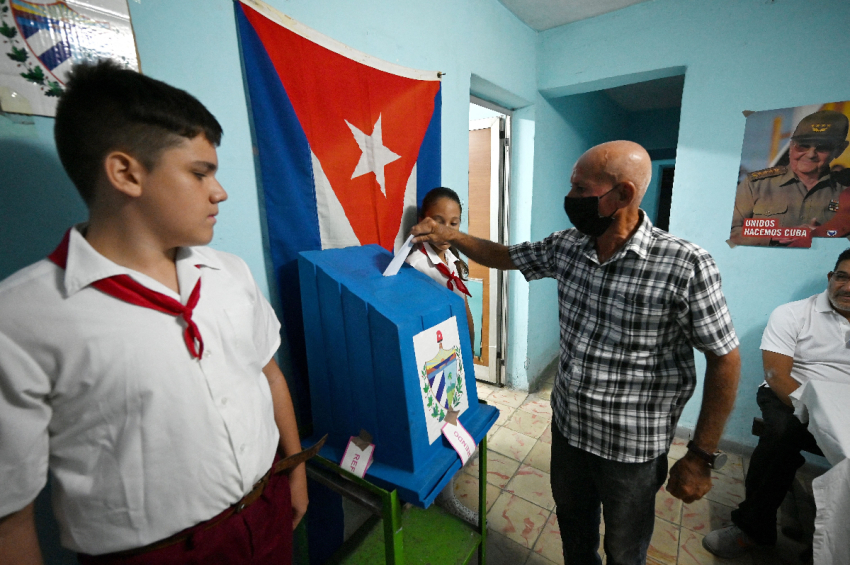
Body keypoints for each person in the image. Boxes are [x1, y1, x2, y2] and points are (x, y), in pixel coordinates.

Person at [0, 60, 306, 564]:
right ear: (126, 172)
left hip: (266, 512)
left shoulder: (229, 274)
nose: (219, 191)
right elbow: (11, 515)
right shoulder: (25, 319)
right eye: (199, 172)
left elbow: (269, 376)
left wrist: (293, 471)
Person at [412, 140, 741, 565]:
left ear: (622, 194)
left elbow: (725, 358)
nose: (569, 199)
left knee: (625, 550)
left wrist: (700, 456)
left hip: (632, 452)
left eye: (580, 189)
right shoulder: (568, 246)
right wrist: (451, 235)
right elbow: (504, 255)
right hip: (570, 433)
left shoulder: (685, 265)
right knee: (575, 538)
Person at [703, 249, 850, 559]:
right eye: (842, 277)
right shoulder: (793, 314)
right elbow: (777, 375)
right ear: (830, 278)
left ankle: (829, 548)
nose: (847, 287)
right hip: (791, 395)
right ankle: (753, 528)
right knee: (781, 436)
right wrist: (820, 414)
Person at [729, 109, 850, 246]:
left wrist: (822, 233)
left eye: (823, 147)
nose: (811, 154)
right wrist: (784, 233)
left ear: (840, 149)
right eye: (803, 145)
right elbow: (731, 232)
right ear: (792, 145)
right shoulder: (756, 185)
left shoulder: (846, 190)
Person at [405, 186, 475, 345]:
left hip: (458, 342)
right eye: (438, 222)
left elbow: (464, 306)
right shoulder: (415, 265)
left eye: (454, 223)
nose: (446, 231)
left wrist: (470, 344)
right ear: (421, 221)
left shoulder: (452, 259)